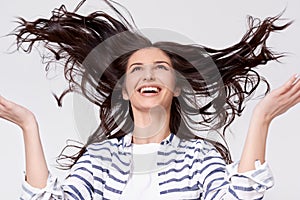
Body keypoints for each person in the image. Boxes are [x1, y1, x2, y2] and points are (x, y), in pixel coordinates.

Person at [0, 0, 299, 199]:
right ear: (126, 90)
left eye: (161, 69)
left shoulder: (197, 157)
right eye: (137, 70)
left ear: (177, 87)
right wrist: (28, 125)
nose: (149, 76)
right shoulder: (100, 160)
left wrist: (263, 118)